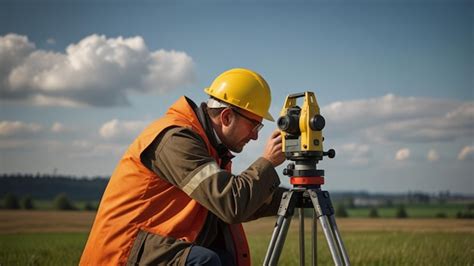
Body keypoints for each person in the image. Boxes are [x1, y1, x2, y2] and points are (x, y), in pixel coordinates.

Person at [80, 68, 286, 266]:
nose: (255, 135)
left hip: (153, 249)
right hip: (122, 256)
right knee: (206, 261)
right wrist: (267, 162)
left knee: (223, 257)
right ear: (226, 117)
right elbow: (230, 203)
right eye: (254, 125)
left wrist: (292, 198)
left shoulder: (212, 148)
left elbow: (232, 204)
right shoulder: (177, 140)